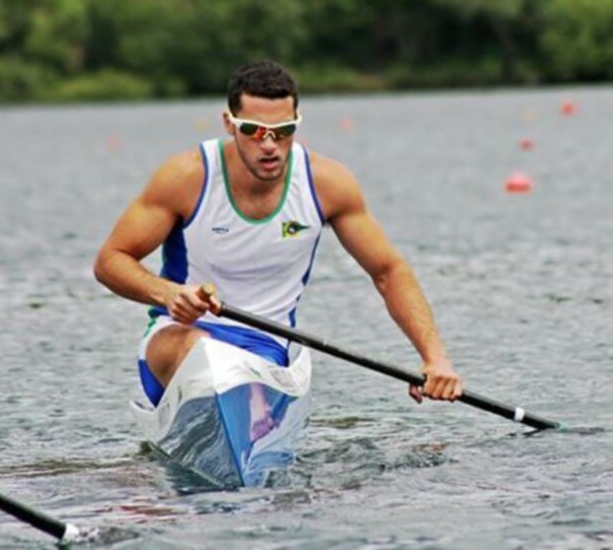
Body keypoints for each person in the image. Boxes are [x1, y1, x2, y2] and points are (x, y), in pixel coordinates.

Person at [93, 59, 462, 412]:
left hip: (266, 350)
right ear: (229, 123)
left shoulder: (327, 184)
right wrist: (168, 293)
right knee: (206, 355)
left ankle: (243, 416)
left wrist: (435, 359)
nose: (269, 145)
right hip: (180, 337)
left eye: (283, 132)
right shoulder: (185, 178)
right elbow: (111, 260)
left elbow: (388, 271)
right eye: (253, 131)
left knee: (232, 369)